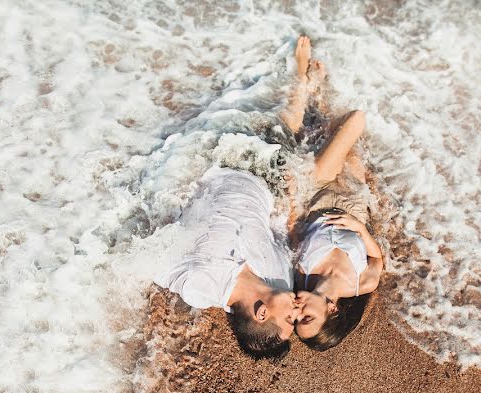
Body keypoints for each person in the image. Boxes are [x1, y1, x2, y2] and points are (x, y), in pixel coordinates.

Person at [282, 37, 385, 350]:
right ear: (331, 310)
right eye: (307, 320)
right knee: (336, 137)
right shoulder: (360, 283)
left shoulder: (301, 277)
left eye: (296, 322)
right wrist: (359, 230)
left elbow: (292, 233)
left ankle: (304, 79)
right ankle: (318, 95)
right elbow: (377, 260)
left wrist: (292, 195)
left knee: (352, 122)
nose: (298, 315)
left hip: (316, 194)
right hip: (353, 201)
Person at [157, 166, 300, 358]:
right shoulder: (283, 282)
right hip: (263, 168)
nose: (297, 312)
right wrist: (290, 194)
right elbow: (284, 232)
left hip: (206, 166)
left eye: (289, 318)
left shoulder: (198, 286)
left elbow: (147, 254)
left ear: (262, 314)